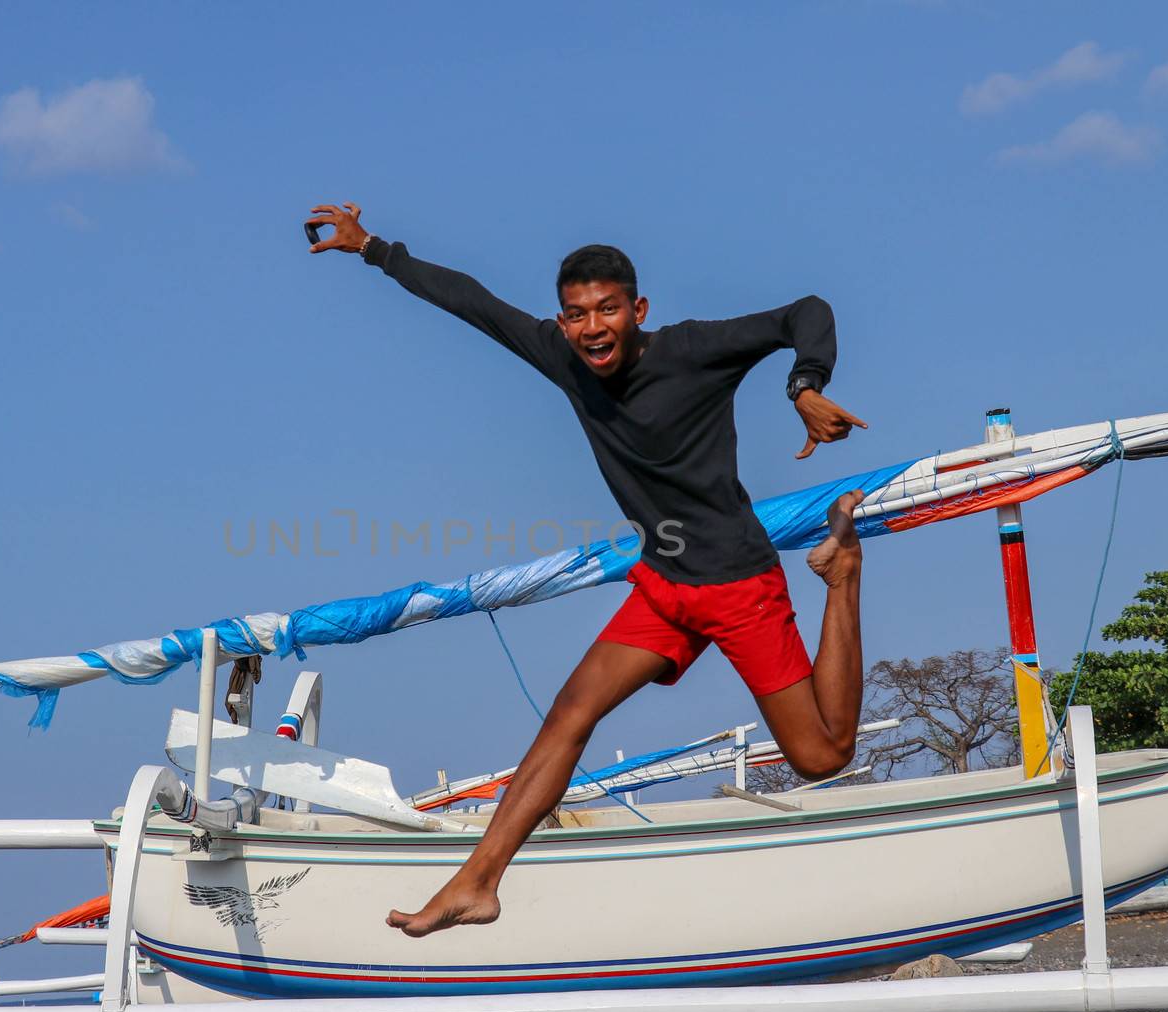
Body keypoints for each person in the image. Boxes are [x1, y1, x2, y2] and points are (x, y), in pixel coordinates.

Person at [308, 202, 870, 937]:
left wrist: (803, 385)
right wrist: (374, 248)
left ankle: (843, 572)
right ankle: (477, 883)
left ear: (637, 309)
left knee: (822, 755)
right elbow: (474, 303)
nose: (593, 327)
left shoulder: (694, 350)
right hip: (666, 586)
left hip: (737, 584)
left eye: (608, 309)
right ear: (563, 320)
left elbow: (808, 308)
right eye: (576, 314)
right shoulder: (564, 357)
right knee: (569, 714)